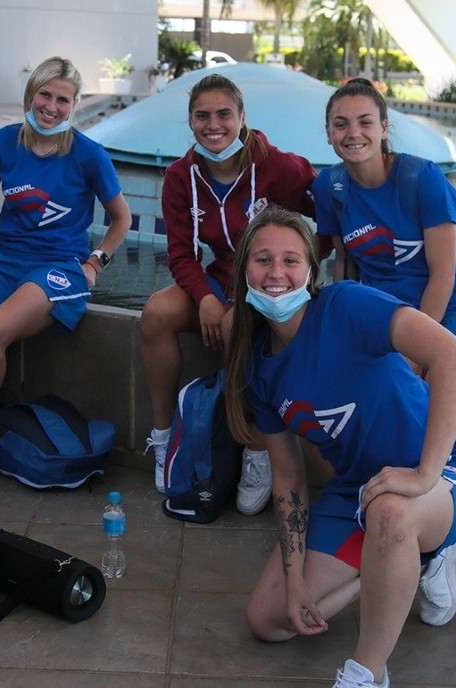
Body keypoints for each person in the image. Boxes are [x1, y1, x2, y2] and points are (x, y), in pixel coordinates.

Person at [224, 206, 456, 687]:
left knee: (393, 511)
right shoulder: (258, 366)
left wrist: (426, 474)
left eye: (290, 260)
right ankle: (408, 563)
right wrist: (295, 578)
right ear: (244, 269)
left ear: (311, 269)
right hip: (358, 493)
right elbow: (288, 479)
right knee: (270, 619)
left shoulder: (346, 306)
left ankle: (366, 673)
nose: (276, 273)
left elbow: (454, 357)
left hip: (447, 476)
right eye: (263, 260)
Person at [139, 72, 317, 515]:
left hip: (268, 283)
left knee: (246, 326)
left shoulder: (278, 167)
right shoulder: (182, 176)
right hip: (219, 279)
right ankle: (164, 437)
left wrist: (303, 271)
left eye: (223, 114)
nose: (213, 124)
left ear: (242, 117)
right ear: (191, 121)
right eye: (202, 115)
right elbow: (180, 254)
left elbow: (326, 217)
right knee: (156, 313)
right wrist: (206, 298)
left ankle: (258, 451)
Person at [0, 56, 130, 419]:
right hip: (4, 263)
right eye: (44, 95)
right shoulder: (2, 144)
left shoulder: (89, 155)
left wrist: (95, 263)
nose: (51, 107)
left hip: (58, 268)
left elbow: (121, 219)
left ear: (74, 105)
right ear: (30, 94)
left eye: (62, 100)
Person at [313, 77, 456, 447]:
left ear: (383, 127)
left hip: (449, 307)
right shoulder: (331, 187)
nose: (353, 133)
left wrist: (419, 346)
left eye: (365, 121)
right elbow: (343, 266)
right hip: (385, 311)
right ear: (328, 133)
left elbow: (443, 272)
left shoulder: (421, 178)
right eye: (341, 124)